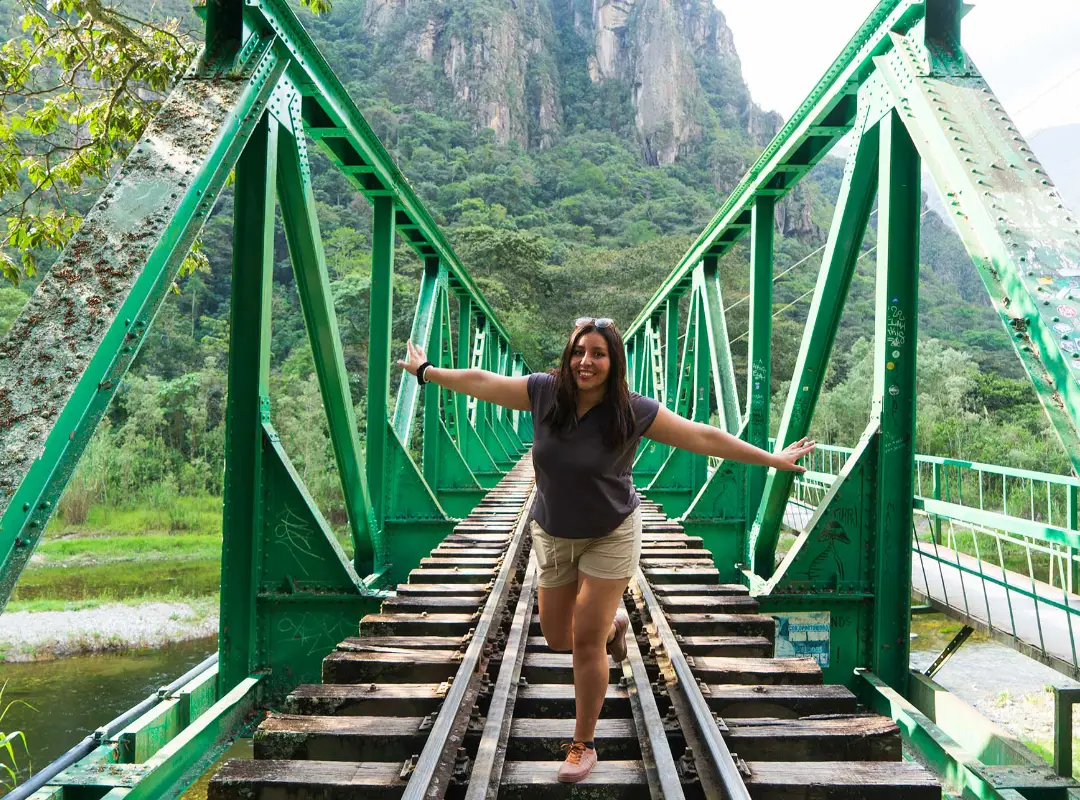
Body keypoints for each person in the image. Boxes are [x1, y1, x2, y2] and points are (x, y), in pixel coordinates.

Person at [397, 316, 815, 783]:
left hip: (612, 533)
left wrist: (772, 459)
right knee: (558, 637)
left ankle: (583, 745)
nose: (585, 361)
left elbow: (702, 436)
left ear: (613, 361)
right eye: (578, 351)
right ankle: (613, 621)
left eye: (597, 353)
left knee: (586, 643)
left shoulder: (632, 410)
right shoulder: (544, 392)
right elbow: (483, 381)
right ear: (567, 355)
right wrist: (426, 371)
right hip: (554, 532)